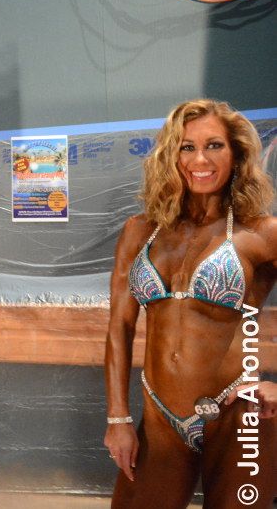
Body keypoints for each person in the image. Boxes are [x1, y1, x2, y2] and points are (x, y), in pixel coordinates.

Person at [104, 99, 276, 508]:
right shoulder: (139, 231)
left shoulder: (262, 232)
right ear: (170, 156)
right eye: (187, 147)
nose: (201, 159)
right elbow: (119, 328)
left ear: (236, 154)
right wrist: (118, 418)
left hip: (241, 417)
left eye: (214, 145)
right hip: (160, 419)